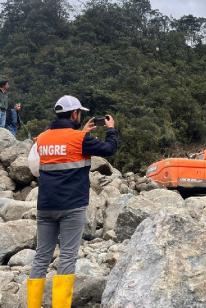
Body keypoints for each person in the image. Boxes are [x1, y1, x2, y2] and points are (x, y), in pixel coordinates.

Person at [27, 95, 119, 308]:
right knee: (67, 258)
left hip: (46, 206)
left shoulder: (42, 138)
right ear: (75, 114)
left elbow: (61, 149)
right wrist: (111, 130)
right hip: (72, 207)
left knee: (41, 257)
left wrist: (82, 133)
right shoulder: (80, 139)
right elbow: (109, 149)